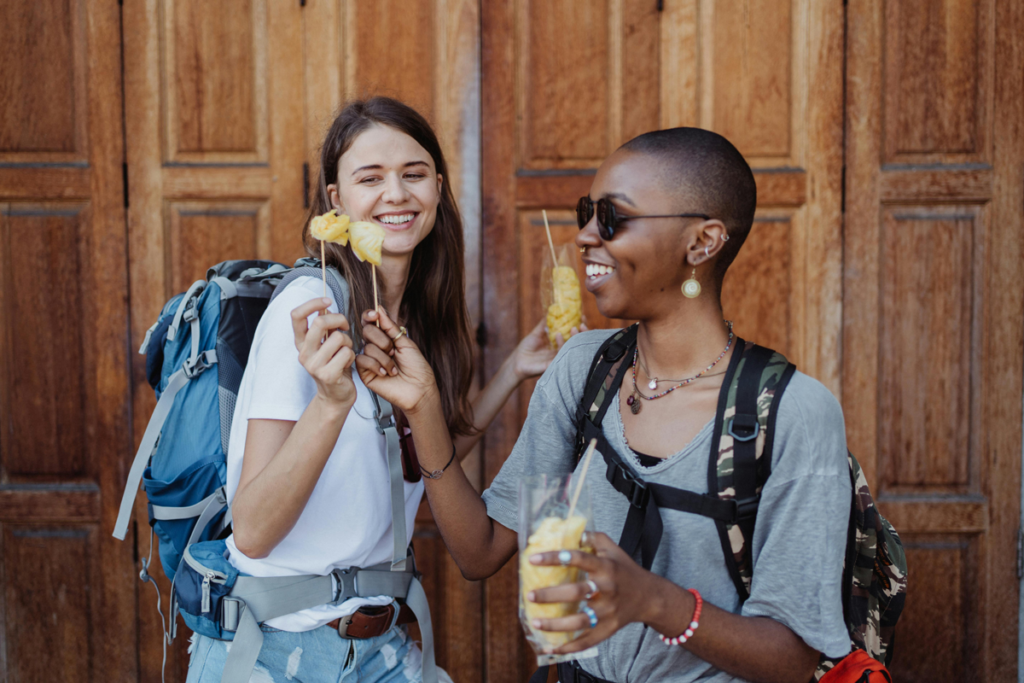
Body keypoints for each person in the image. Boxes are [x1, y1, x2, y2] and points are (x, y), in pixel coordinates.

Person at [358, 127, 853, 683]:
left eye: (613, 217)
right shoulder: (584, 369)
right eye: (586, 213)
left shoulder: (791, 413)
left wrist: (652, 601)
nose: (587, 237)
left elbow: (793, 658)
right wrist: (423, 406)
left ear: (702, 242)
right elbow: (480, 553)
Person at [185, 97, 582, 683]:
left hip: (380, 648)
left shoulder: (416, 319)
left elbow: (417, 460)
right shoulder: (311, 307)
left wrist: (513, 372)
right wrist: (331, 402)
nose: (396, 194)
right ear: (336, 201)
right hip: (277, 649)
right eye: (370, 178)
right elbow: (254, 530)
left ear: (439, 189)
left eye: (413, 175)